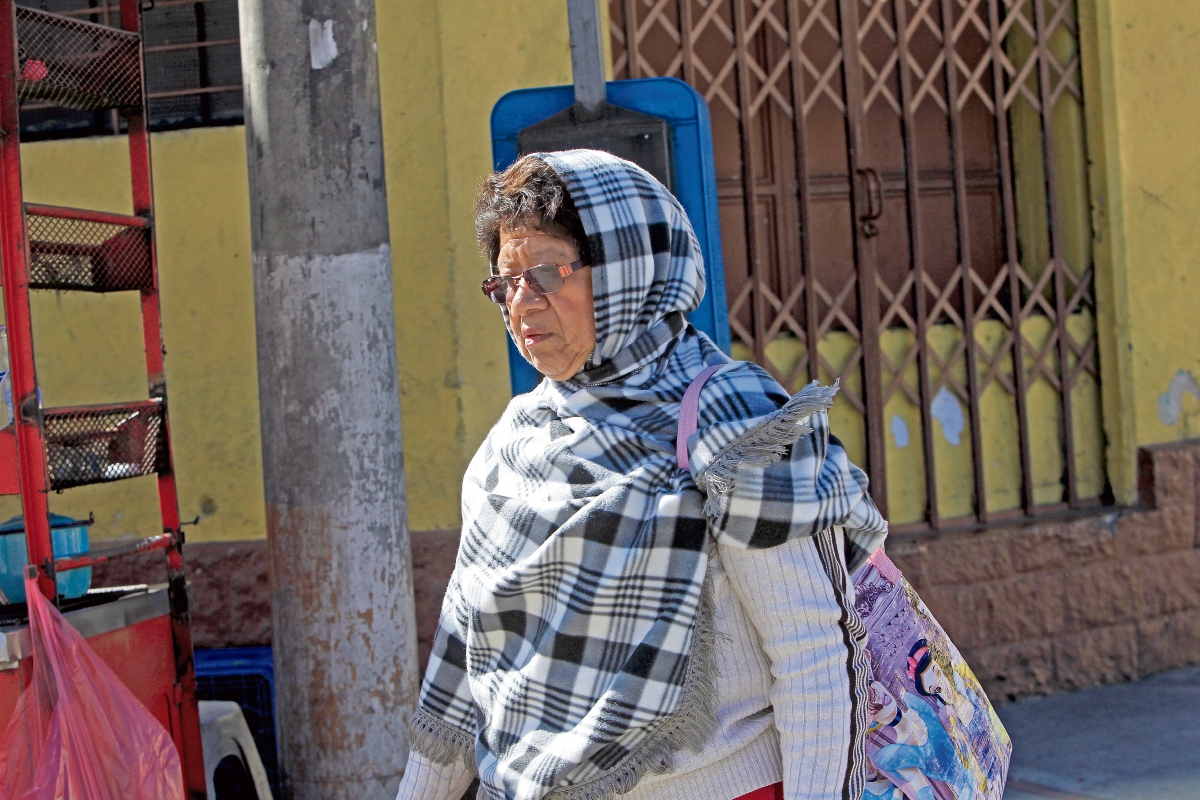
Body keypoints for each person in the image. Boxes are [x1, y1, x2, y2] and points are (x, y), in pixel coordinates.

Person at [395, 150, 888, 800]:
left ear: (629, 269)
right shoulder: (511, 448)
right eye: (505, 283)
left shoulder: (734, 422)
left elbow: (813, 656)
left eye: (545, 273)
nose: (522, 304)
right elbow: (466, 668)